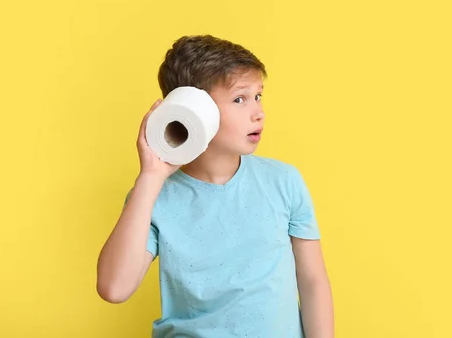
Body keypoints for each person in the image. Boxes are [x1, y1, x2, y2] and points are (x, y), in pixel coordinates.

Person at [96, 35, 334, 337]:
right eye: (240, 99)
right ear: (195, 108)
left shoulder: (284, 182)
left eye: (258, 96)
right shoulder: (153, 197)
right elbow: (114, 288)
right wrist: (150, 178)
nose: (258, 112)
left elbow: (313, 281)